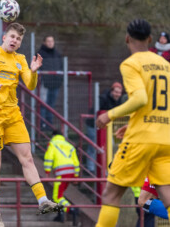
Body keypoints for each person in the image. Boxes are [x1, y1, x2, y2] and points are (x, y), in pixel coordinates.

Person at [0, 22, 58, 227]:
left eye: (18, 39)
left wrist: (34, 70)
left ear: (20, 44)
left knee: (27, 158)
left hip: (13, 115)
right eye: (12, 36)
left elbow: (30, 84)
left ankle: (42, 200)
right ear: (4, 37)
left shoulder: (20, 59)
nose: (14, 40)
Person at [95, 19, 170, 226]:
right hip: (165, 140)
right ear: (150, 39)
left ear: (127, 38)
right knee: (167, 197)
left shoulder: (131, 63)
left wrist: (109, 115)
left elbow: (140, 99)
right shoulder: (166, 65)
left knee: (111, 193)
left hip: (141, 140)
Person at [85, 82, 124, 174]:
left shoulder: (119, 101)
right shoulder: (103, 98)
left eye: (119, 93)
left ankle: (107, 169)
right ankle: (90, 168)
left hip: (107, 127)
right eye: (116, 92)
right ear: (111, 91)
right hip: (93, 125)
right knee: (93, 145)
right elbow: (98, 111)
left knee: (109, 146)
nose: (117, 94)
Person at [44, 130, 80, 222]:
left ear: (53, 136)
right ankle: (60, 215)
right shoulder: (69, 145)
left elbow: (49, 158)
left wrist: (47, 172)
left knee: (57, 196)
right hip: (70, 173)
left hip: (61, 173)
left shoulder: (52, 143)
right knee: (60, 194)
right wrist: (76, 176)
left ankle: (71, 210)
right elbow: (76, 162)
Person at [37, 35, 63, 129]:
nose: (50, 43)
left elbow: (61, 67)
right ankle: (42, 126)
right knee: (43, 104)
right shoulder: (40, 54)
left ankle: (49, 125)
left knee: (51, 105)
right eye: (48, 41)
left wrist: (60, 80)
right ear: (44, 42)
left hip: (55, 84)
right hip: (45, 83)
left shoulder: (57, 54)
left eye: (52, 41)